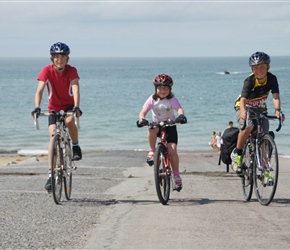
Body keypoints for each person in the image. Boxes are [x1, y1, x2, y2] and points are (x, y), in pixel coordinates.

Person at [31, 42, 82, 191]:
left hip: (69, 106)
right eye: (56, 57)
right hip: (53, 108)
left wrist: (77, 106)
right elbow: (39, 90)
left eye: (62, 56)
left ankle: (76, 145)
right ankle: (50, 175)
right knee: (53, 136)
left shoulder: (72, 70)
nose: (59, 59)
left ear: (67, 58)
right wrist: (37, 107)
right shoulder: (46, 71)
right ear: (52, 58)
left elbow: (76, 88)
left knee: (70, 119)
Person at [231, 51, 284, 173]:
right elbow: (243, 100)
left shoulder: (272, 79)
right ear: (252, 69)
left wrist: (278, 111)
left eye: (262, 67)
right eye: (255, 68)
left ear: (268, 67)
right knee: (248, 126)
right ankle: (237, 155)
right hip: (243, 106)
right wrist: (243, 112)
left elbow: (275, 96)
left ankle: (265, 170)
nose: (259, 70)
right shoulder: (249, 81)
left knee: (263, 136)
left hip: (260, 107)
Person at [138, 74, 187, 191]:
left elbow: (179, 109)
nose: (162, 90)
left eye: (165, 88)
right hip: (157, 125)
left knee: (172, 149)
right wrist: (142, 120)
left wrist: (181, 116)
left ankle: (176, 176)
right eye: (160, 88)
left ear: (170, 89)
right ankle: (152, 150)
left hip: (170, 125)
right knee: (152, 128)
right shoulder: (152, 99)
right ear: (156, 88)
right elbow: (143, 112)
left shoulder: (171, 99)